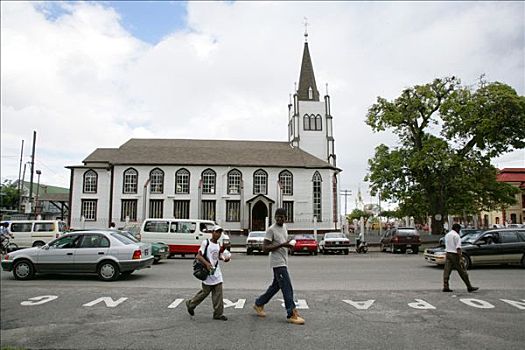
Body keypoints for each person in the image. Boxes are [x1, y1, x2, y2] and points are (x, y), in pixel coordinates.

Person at [253, 208, 304, 325]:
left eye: (282, 217)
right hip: (277, 263)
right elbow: (264, 248)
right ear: (275, 217)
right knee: (287, 287)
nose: (280, 219)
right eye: (278, 216)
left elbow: (283, 244)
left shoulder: (284, 228)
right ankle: (291, 313)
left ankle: (259, 303)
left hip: (284, 261)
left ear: (286, 218)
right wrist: (282, 244)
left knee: (276, 286)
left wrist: (288, 245)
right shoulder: (271, 230)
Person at [186, 225, 231, 321]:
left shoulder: (218, 245)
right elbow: (199, 256)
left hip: (216, 271)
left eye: (220, 232)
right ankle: (191, 304)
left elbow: (217, 256)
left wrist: (224, 259)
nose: (218, 234)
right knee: (205, 292)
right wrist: (206, 264)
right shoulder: (206, 243)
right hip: (207, 271)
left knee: (218, 293)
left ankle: (218, 314)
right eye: (216, 232)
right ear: (212, 232)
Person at [443, 223, 479, 293]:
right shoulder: (456, 236)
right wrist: (461, 258)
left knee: (447, 270)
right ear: (457, 229)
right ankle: (469, 286)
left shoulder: (447, 235)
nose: (459, 231)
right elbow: (458, 248)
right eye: (459, 229)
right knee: (462, 271)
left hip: (448, 253)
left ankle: (445, 286)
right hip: (455, 255)